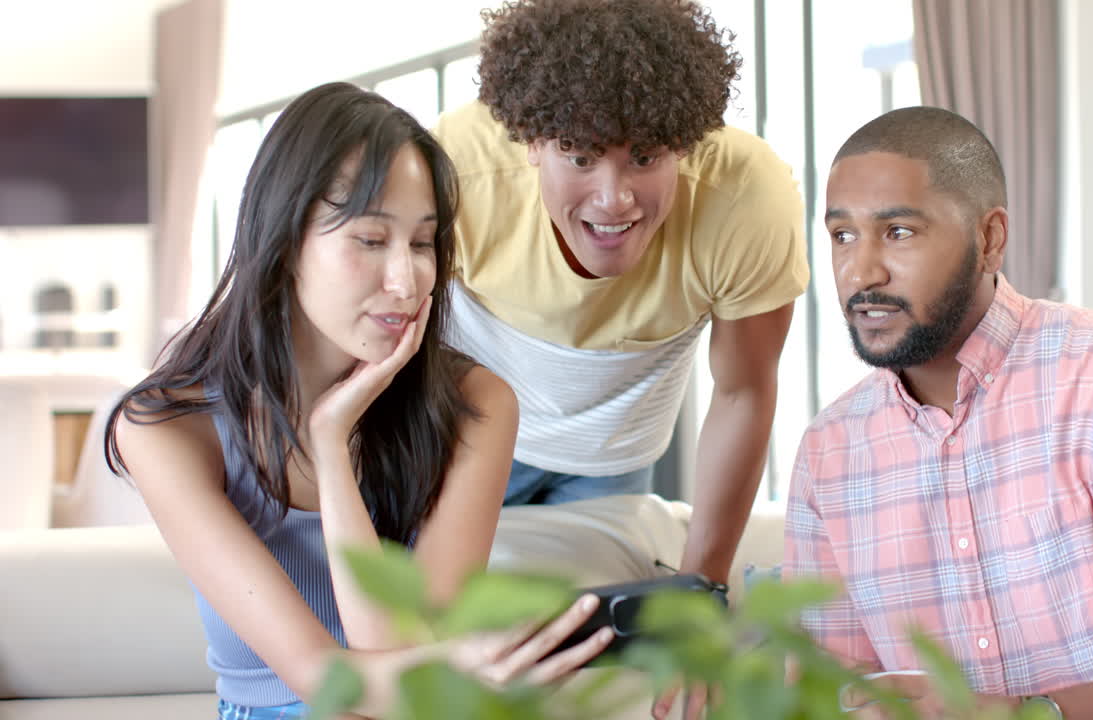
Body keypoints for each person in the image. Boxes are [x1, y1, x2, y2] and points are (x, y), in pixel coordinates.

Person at [105, 82, 613, 719]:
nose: (404, 281)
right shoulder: (166, 428)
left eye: (422, 244)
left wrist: (333, 449)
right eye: (371, 240)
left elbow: (402, 668)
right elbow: (323, 679)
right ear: (284, 243)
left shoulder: (475, 405)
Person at [784, 106, 1093, 719]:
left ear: (989, 240)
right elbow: (824, 688)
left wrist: (1027, 714)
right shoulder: (828, 453)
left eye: (899, 232)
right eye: (842, 236)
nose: (861, 271)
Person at [433, 0, 808, 592]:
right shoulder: (457, 170)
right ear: (530, 142)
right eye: (580, 157)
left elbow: (743, 393)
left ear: (683, 144)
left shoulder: (745, 198)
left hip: (612, 457)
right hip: (466, 436)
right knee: (447, 612)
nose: (614, 199)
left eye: (645, 157)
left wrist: (699, 589)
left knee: (600, 620)